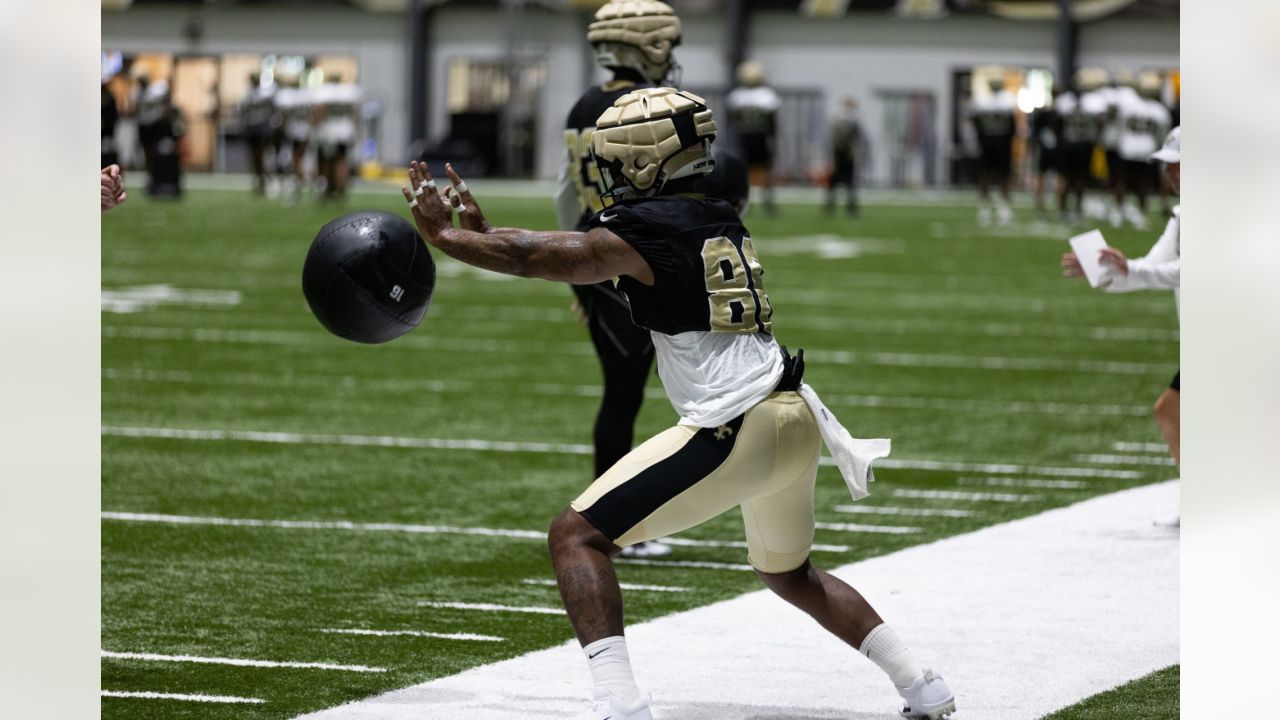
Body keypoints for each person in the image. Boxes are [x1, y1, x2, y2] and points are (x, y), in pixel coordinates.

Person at [404, 87, 955, 720]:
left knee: (575, 536)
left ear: (647, 160)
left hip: (735, 426)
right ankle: (922, 684)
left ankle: (621, 703)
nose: (609, 169)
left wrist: (448, 238)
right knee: (789, 573)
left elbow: (549, 257)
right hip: (794, 415)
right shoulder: (715, 214)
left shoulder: (646, 228)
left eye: (617, 157)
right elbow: (576, 258)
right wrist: (488, 237)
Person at [552, 0, 684, 559]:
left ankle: (615, 522)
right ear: (646, 44)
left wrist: (573, 276)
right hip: (631, 258)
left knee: (621, 393)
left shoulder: (583, 103)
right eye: (668, 45)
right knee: (625, 395)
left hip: (591, 257)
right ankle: (613, 526)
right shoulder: (644, 106)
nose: (673, 57)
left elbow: (563, 193)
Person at [1062, 126, 1180, 519]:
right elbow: (1152, 267)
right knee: (1173, 411)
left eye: (1178, 166)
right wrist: (1105, 273)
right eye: (1169, 168)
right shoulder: (1183, 217)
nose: (1171, 175)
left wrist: (1130, 270)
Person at [726, 60, 781, 215]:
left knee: (742, 173)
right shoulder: (767, 96)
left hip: (743, 137)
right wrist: (773, 140)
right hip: (760, 137)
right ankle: (768, 204)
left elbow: (732, 120)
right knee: (766, 171)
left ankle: (743, 204)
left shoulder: (736, 96)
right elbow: (772, 123)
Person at [1054, 70, 1107, 224]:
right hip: (1083, 143)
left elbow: (1056, 121)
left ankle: (1065, 211)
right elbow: (1101, 122)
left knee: (1070, 178)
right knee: (1079, 178)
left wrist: (1061, 138)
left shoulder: (1064, 101)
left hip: (1070, 142)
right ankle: (1075, 210)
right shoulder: (1095, 101)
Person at [966, 77, 1017, 226]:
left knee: (990, 176)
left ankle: (990, 207)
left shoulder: (983, 103)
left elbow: (976, 125)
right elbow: (1012, 127)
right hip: (999, 144)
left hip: (989, 144)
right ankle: (999, 207)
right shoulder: (1005, 101)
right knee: (997, 176)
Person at [313, 77, 360, 201]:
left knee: (326, 162)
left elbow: (319, 109)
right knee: (341, 161)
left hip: (328, 131)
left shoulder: (324, 92)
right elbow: (354, 112)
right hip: (344, 130)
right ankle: (341, 189)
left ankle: (328, 189)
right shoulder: (347, 91)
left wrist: (315, 125)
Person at [239, 72, 279, 195]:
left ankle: (264, 179)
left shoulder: (258, 95)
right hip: (257, 129)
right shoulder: (254, 95)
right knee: (257, 156)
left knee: (261, 156)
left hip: (259, 129)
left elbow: (243, 111)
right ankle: (261, 179)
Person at [827, 97, 865, 217]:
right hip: (846, 154)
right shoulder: (849, 119)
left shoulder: (839, 118)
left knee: (837, 181)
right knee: (847, 181)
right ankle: (848, 207)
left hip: (841, 153)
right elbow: (852, 138)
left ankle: (832, 206)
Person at [1029, 91, 1062, 222]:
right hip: (1057, 149)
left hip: (1045, 150)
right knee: (1058, 179)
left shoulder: (1045, 113)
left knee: (1042, 180)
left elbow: (1034, 133)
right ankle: (1061, 209)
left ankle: (1040, 209)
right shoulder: (1060, 111)